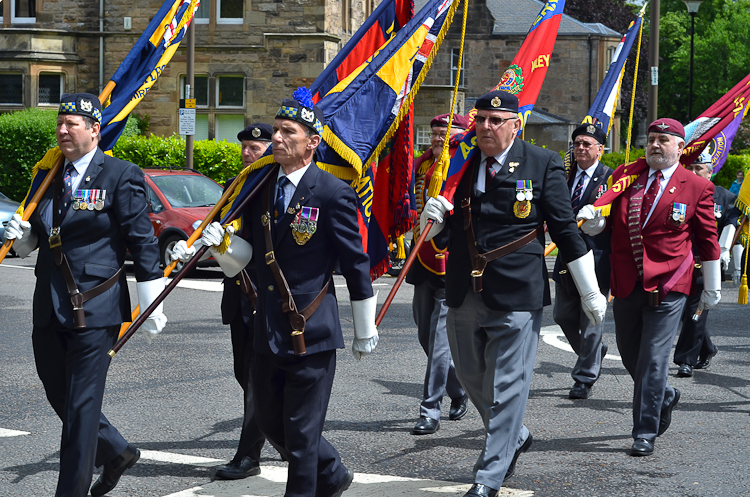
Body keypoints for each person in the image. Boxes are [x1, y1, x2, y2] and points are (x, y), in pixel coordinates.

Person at [174, 88, 377, 497]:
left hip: (310, 330)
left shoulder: (332, 192)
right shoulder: (260, 188)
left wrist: (363, 326)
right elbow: (246, 258)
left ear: (313, 143)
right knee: (270, 422)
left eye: (288, 132)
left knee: (301, 438)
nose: (278, 138)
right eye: (277, 130)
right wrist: (221, 246)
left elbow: (356, 263)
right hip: (265, 327)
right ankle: (333, 473)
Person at [421, 90, 607, 497]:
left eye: (494, 120)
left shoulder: (542, 163)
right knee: (471, 376)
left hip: (517, 292)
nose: (484, 127)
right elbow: (455, 225)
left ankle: (488, 477)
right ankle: (515, 435)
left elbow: (563, 228)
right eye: (480, 119)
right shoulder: (462, 165)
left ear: (514, 124)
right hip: (464, 289)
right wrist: (434, 222)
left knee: (508, 386)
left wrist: (589, 289)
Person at [6, 93, 167, 497]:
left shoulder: (119, 174)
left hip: (95, 309)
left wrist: (151, 299)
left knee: (80, 411)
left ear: (95, 131)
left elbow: (143, 241)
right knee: (59, 394)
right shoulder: (47, 175)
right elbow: (38, 241)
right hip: (49, 307)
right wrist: (20, 237)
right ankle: (115, 451)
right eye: (59, 123)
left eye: (71, 124)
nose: (62, 130)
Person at [578, 118, 721, 457]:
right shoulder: (626, 178)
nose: (656, 145)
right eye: (652, 139)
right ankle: (665, 395)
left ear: (680, 148)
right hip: (627, 282)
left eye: (664, 140)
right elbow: (605, 222)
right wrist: (594, 220)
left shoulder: (695, 185)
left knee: (654, 360)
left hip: (670, 286)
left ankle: (644, 430)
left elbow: (707, 239)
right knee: (632, 355)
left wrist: (712, 287)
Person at [212, 123, 273, 480]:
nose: (247, 154)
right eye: (245, 148)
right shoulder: (236, 186)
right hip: (238, 293)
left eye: (255, 147)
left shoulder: (270, 187)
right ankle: (278, 430)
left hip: (262, 294)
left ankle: (248, 455)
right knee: (244, 373)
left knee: (256, 378)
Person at [407, 113, 469, 436]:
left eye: (445, 133)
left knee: (440, 340)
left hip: (450, 260)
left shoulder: (462, 166)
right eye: (433, 133)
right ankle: (458, 390)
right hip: (423, 256)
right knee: (424, 335)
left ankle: (430, 408)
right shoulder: (420, 164)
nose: (436, 139)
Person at [552, 124, 613, 400]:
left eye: (587, 144)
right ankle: (594, 353)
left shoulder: (611, 178)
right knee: (562, 315)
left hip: (596, 258)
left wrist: (600, 219)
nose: (581, 148)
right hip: (565, 257)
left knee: (591, 319)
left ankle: (584, 377)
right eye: (577, 143)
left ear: (600, 148)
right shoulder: (563, 176)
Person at [673, 151, 739, 377]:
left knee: (695, 311)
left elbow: (730, 226)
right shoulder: (678, 192)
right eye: (689, 169)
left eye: (698, 169)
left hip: (706, 264)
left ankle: (685, 360)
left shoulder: (725, 197)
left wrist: (724, 249)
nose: (692, 173)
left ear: (710, 172)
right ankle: (707, 348)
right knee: (682, 311)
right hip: (679, 263)